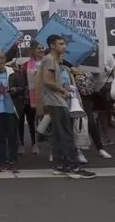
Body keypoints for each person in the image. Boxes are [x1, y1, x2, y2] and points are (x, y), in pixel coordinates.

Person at [36, 34, 96, 179]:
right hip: (56, 102)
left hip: (54, 100)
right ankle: (74, 167)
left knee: (57, 135)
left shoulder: (52, 60)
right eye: (61, 44)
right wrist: (63, 91)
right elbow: (48, 81)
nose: (64, 47)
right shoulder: (50, 59)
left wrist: (64, 89)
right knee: (66, 135)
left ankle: (58, 165)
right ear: (52, 46)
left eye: (64, 44)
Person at [21, 41, 44, 155]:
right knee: (30, 121)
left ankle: (50, 146)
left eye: (42, 48)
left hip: (45, 96)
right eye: (38, 48)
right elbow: (23, 80)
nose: (41, 50)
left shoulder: (48, 62)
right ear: (33, 50)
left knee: (45, 121)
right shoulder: (26, 65)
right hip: (30, 97)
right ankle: (33, 144)